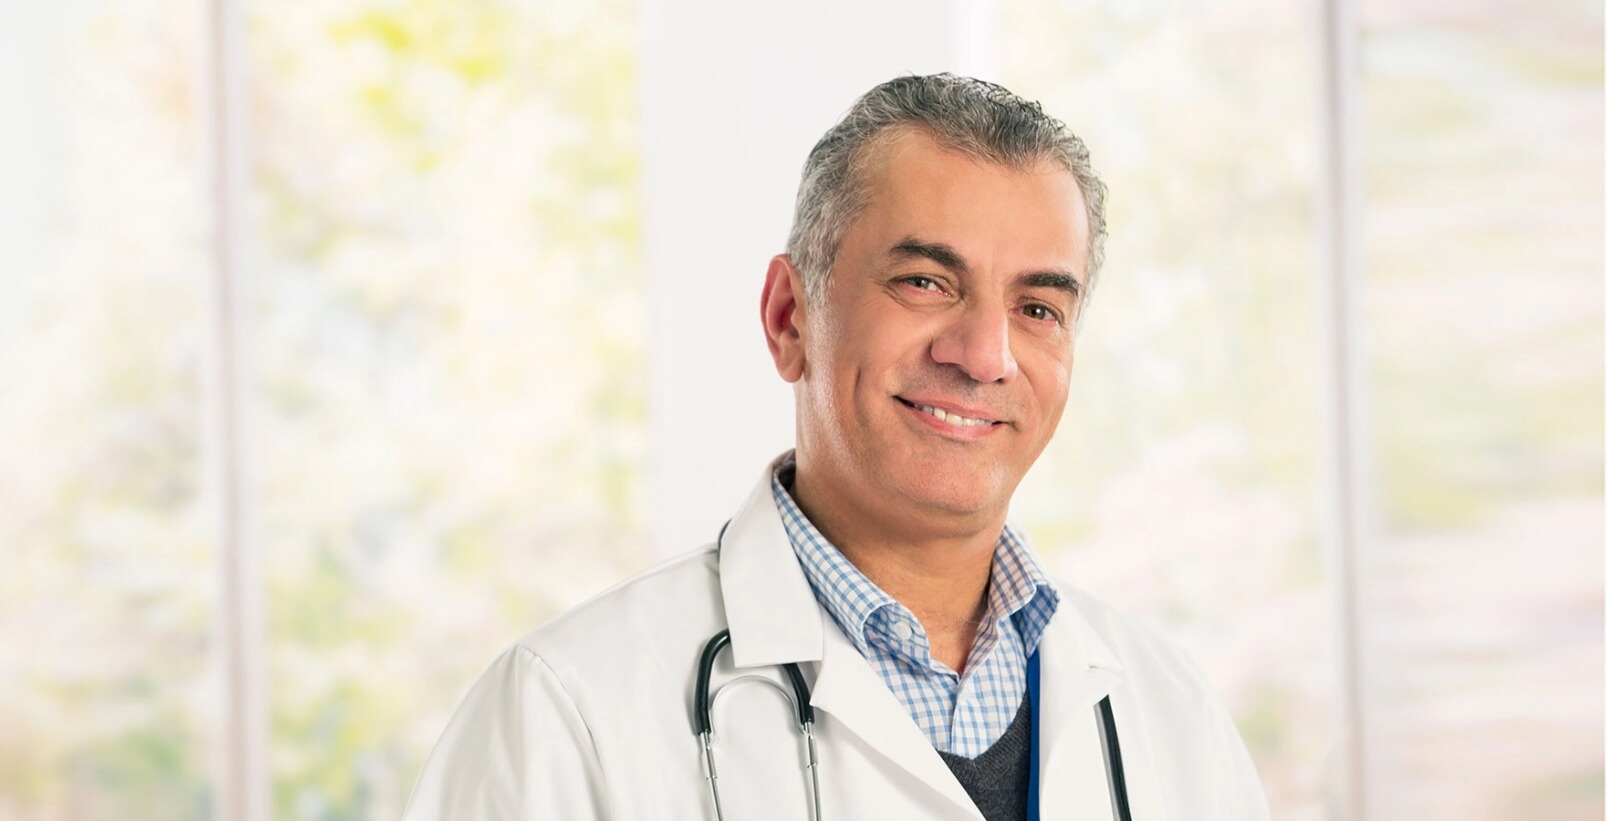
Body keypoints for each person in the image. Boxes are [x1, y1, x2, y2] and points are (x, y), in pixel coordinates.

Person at [403, 74, 1270, 821]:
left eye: (1037, 307)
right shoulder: (566, 713)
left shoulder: (1170, 715)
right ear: (790, 318)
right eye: (926, 282)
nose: (984, 355)